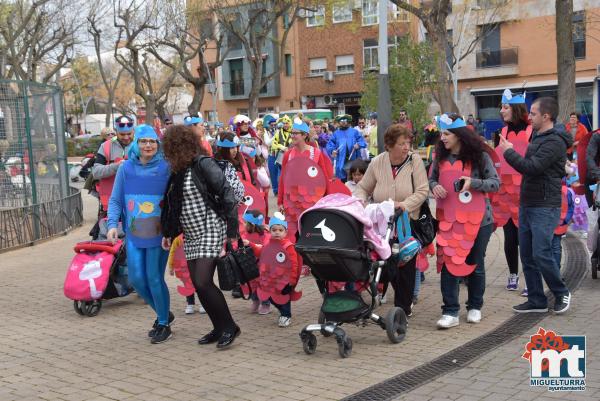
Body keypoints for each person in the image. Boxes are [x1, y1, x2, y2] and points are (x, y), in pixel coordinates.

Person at [161, 124, 243, 349]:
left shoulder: (203, 163)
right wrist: (169, 232)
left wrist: (231, 232)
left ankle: (229, 326)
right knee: (198, 284)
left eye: (172, 149)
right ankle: (218, 327)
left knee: (203, 281)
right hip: (191, 232)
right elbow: (173, 204)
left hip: (210, 227)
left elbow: (228, 193)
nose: (169, 155)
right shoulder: (179, 171)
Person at [497, 97, 573, 315]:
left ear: (546, 116)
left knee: (541, 253)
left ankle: (561, 292)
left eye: (533, 113)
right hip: (528, 203)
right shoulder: (539, 136)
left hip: (544, 205)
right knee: (528, 255)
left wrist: (509, 151)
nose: (528, 117)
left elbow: (533, 167)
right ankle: (537, 299)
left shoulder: (555, 141)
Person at [429, 114, 499, 328]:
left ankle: (475, 306)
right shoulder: (438, 157)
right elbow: (430, 178)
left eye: (447, 134)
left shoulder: (480, 157)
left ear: (460, 135)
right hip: (449, 219)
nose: (442, 138)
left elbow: (495, 183)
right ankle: (450, 311)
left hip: (479, 220)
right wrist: (434, 186)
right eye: (441, 133)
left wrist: (472, 183)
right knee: (449, 263)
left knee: (475, 264)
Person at [106, 125, 172, 344]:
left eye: (152, 141)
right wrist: (112, 225)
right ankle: (163, 312)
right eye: (144, 141)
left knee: (154, 278)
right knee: (136, 278)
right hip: (134, 235)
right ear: (137, 143)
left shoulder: (167, 167)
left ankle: (163, 322)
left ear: (158, 144)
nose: (148, 145)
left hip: (159, 235)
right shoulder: (126, 169)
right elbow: (116, 199)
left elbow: (175, 200)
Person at [355, 124, 429, 318]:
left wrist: (404, 205)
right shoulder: (378, 162)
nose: (406, 147)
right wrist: (361, 201)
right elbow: (363, 187)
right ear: (389, 145)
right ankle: (381, 293)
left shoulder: (414, 161)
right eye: (401, 143)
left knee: (405, 264)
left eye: (408, 142)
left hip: (406, 221)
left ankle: (403, 307)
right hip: (381, 223)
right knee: (384, 263)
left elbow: (422, 191)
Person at [492, 89, 532, 293]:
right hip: (506, 192)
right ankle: (512, 274)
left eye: (505, 107)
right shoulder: (501, 133)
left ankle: (529, 279)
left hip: (526, 191)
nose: (501, 110)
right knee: (509, 237)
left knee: (526, 238)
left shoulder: (532, 130)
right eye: (501, 107)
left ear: (515, 109)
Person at [278, 120, 334, 240]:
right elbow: (283, 178)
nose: (292, 136)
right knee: (294, 236)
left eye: (295, 133)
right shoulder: (288, 155)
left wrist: (327, 200)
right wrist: (280, 202)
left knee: (311, 233)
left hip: (311, 199)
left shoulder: (316, 153)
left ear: (304, 135)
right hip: (291, 202)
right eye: (291, 133)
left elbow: (324, 177)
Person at [244, 213, 301, 327]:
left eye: (280, 230)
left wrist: (292, 279)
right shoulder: (268, 244)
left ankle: (286, 316)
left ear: (285, 232)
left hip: (285, 279)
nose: (277, 232)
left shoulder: (288, 246)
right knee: (274, 298)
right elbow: (261, 253)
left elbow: (295, 264)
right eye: (274, 230)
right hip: (271, 278)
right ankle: (281, 311)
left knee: (284, 298)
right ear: (269, 231)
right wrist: (250, 244)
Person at [92, 115, 134, 215]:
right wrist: (116, 166)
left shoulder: (141, 144)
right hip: (112, 201)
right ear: (116, 131)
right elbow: (96, 172)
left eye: (129, 134)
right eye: (122, 134)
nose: (126, 137)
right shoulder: (106, 146)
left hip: (135, 199)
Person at [241, 210, 272, 315]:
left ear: (252, 224)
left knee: (263, 284)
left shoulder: (265, 235)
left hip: (262, 265)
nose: (243, 224)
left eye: (245, 222)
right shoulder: (246, 234)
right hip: (250, 264)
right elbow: (239, 244)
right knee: (252, 283)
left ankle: (265, 303)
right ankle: (255, 300)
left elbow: (265, 249)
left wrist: (251, 244)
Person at [326, 114, 367, 181]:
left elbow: (362, 141)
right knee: (343, 180)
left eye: (345, 120)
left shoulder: (354, 132)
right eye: (341, 120)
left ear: (348, 121)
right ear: (339, 122)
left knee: (355, 179)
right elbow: (330, 144)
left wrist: (359, 144)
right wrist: (332, 150)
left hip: (354, 160)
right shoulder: (336, 134)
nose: (343, 122)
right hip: (341, 161)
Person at [270, 115, 293, 195]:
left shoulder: (293, 132)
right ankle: (281, 191)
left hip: (291, 156)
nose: (285, 125)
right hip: (281, 156)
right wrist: (282, 147)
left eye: (287, 123)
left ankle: (289, 190)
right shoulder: (278, 133)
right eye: (284, 123)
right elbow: (273, 144)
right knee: (281, 174)